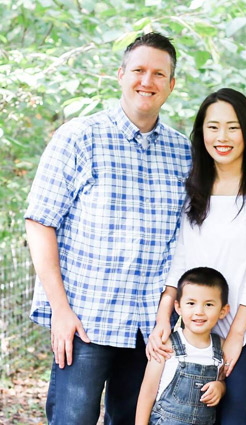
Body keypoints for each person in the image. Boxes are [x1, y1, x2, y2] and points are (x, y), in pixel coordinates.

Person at [24, 32, 191, 425]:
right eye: (138, 70)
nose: (146, 81)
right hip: (85, 322)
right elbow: (39, 222)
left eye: (158, 73)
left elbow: (186, 240)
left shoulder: (184, 153)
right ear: (120, 75)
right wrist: (60, 312)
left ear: (171, 84)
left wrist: (170, 317)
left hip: (150, 330)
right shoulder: (79, 136)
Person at [147, 88, 246, 425]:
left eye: (233, 127)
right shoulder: (195, 187)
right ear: (201, 134)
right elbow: (181, 255)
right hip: (196, 328)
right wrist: (163, 317)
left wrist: (235, 336)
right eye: (213, 127)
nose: (222, 137)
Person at [136, 267, 230, 425]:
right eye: (191, 303)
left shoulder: (221, 347)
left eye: (208, 305)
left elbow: (223, 380)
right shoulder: (166, 344)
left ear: (223, 311)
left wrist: (220, 388)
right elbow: (148, 391)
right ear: (178, 307)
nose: (199, 311)